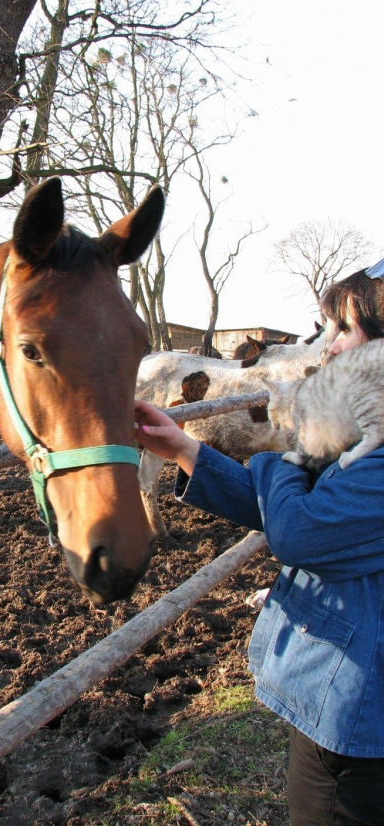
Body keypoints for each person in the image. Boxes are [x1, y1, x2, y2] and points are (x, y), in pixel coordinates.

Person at [134, 260, 384, 826]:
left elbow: (299, 530)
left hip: (358, 718)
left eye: (345, 330)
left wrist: (284, 454)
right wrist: (183, 447)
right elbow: (294, 510)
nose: (330, 349)